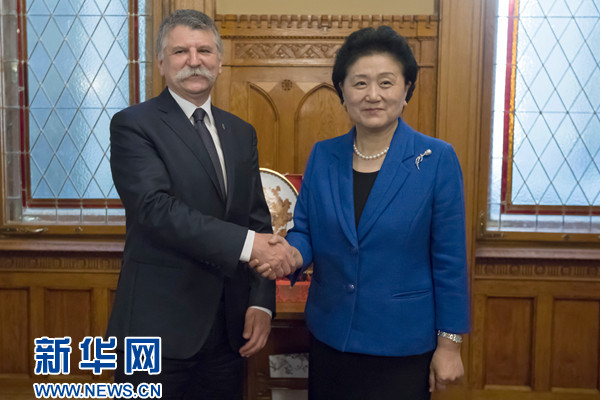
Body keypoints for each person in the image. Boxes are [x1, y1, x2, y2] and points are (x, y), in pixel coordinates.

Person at [252, 26, 469, 400]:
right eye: (360, 83)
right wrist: (291, 255)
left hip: (403, 344)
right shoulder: (324, 155)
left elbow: (450, 261)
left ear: (406, 88)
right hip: (332, 336)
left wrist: (450, 345)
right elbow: (305, 230)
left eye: (386, 82)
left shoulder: (436, 159)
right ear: (342, 91)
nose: (373, 95)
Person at [107, 9, 295, 399]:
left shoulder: (240, 132)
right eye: (181, 51)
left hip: (228, 333)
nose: (194, 60)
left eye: (204, 51)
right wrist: (249, 245)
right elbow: (155, 209)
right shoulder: (133, 125)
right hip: (157, 331)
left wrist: (262, 304)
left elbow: (258, 221)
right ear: (161, 63)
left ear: (219, 62)